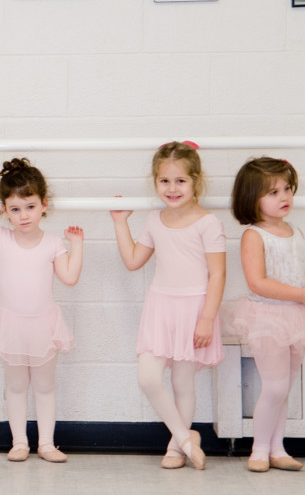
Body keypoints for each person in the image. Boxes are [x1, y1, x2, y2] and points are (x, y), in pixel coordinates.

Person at [0, 158, 82, 464]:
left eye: (29, 206)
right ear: (5, 210)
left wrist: (76, 244)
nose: (23, 215)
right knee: (15, 387)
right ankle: (20, 442)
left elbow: (69, 277)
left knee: (44, 387)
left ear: (43, 205)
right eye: (14, 209)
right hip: (12, 325)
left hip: (43, 325)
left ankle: (47, 444)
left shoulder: (53, 243)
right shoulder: (0, 237)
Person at [111, 141, 223, 471]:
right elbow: (133, 260)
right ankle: (188, 438)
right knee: (148, 378)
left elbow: (217, 274)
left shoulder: (208, 223)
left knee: (182, 384)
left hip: (194, 310)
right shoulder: (154, 220)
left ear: (195, 181)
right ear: (155, 182)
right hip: (160, 307)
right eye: (164, 181)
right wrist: (120, 223)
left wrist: (207, 318)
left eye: (180, 181)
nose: (172, 189)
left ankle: (176, 448)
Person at [222, 157, 305, 472]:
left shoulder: (293, 230)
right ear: (251, 199)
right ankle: (258, 449)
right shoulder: (253, 235)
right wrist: (301, 294)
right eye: (273, 192)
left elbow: (291, 268)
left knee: (285, 386)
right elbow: (258, 281)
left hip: (297, 316)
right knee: (274, 387)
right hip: (268, 318)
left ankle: (277, 447)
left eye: (287, 189)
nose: (284, 196)